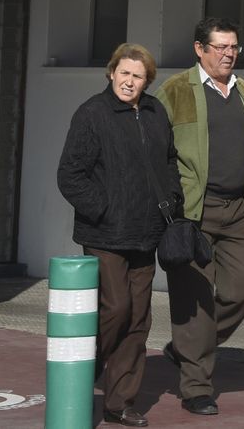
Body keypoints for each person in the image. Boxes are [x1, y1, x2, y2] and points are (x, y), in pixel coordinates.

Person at [158, 17, 244, 416]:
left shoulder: (243, 90)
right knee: (194, 301)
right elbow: (158, 153)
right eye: (221, 47)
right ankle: (196, 388)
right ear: (199, 49)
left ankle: (185, 349)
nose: (229, 54)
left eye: (234, 48)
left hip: (235, 210)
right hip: (193, 213)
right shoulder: (175, 91)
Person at [56, 43, 178, 429]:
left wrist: (173, 200)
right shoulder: (92, 113)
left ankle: (119, 403)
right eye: (124, 73)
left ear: (147, 81)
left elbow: (170, 162)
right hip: (105, 233)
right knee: (117, 309)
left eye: (137, 76)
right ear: (111, 73)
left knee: (139, 320)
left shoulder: (157, 113)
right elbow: (70, 175)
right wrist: (105, 208)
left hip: (146, 234)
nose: (129, 81)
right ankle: (83, 363)